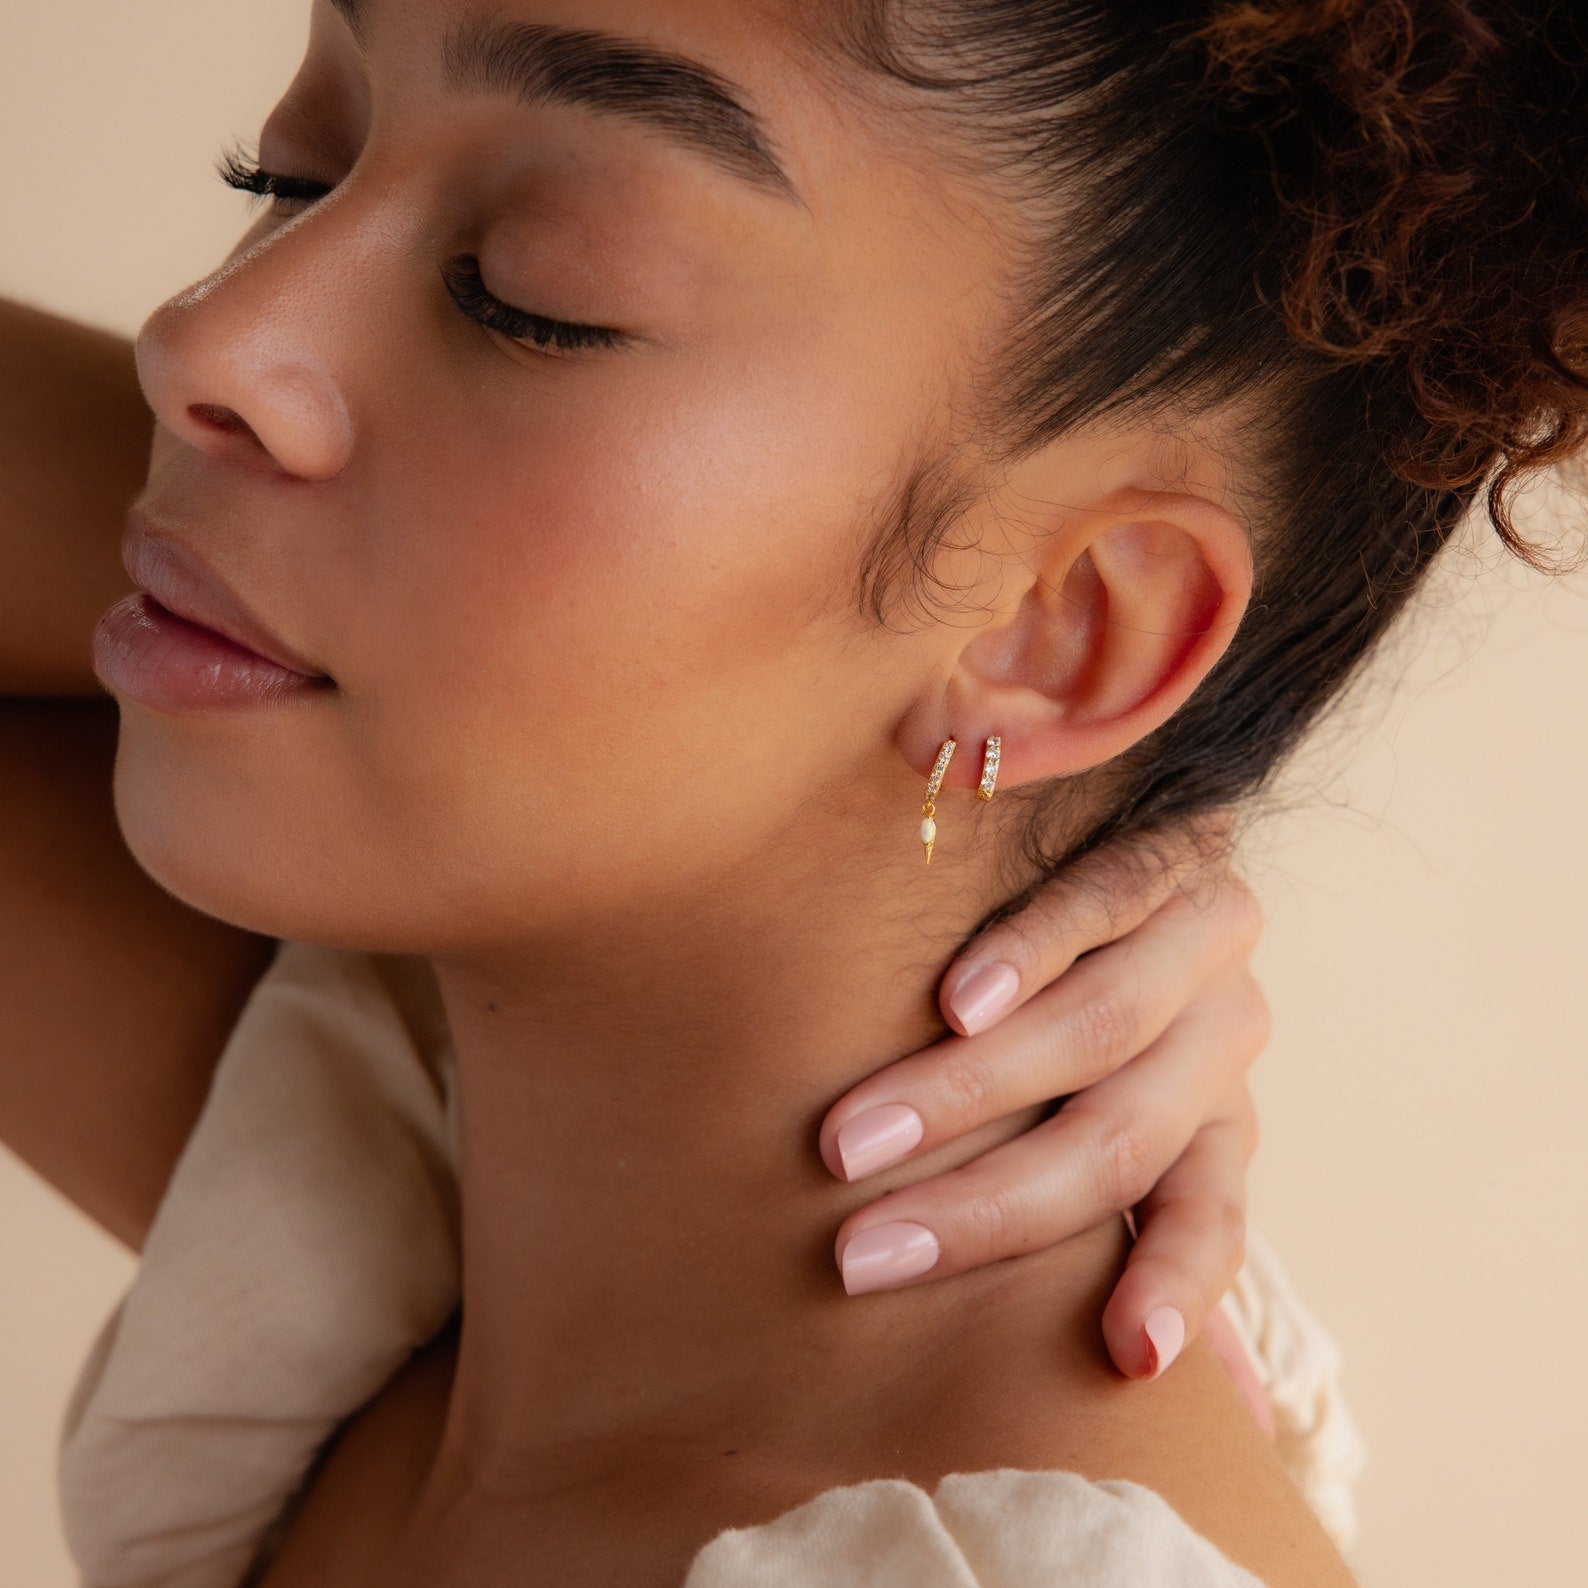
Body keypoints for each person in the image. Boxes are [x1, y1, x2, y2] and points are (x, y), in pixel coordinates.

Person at [11, 0, 1587, 1581]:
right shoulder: (447, 1187)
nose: (202, 339)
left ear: (1066, 629)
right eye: (294, 170)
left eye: (530, 296)